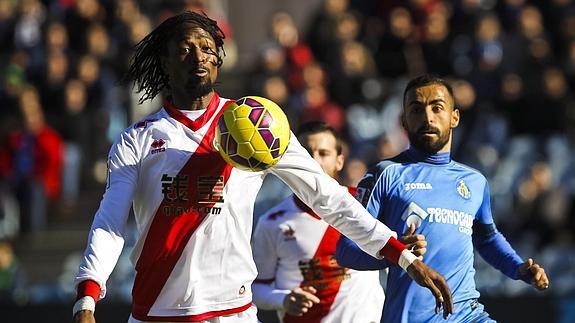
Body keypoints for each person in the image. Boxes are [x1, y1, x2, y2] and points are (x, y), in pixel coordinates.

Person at [72, 12, 453, 323]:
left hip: (233, 313)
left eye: (207, 48)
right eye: (185, 48)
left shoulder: (257, 124)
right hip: (156, 311)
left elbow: (327, 195)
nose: (198, 56)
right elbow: (110, 221)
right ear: (165, 61)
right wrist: (88, 296)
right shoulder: (137, 138)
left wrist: (402, 256)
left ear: (219, 59)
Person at [336, 74, 550, 323]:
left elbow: (487, 238)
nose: (427, 117)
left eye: (437, 108)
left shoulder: (475, 181)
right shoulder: (383, 175)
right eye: (416, 110)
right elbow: (345, 251)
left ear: (454, 117)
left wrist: (517, 268)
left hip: (468, 315)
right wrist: (396, 252)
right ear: (404, 121)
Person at [253, 121, 427, 322]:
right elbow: (256, 288)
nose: (314, 161)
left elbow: (398, 255)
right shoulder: (272, 222)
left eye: (324, 153)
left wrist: (409, 247)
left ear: (340, 161)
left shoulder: (367, 205)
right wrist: (283, 299)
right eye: (307, 153)